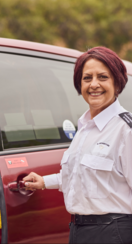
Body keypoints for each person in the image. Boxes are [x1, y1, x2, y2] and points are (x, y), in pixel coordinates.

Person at [23, 46, 132, 244]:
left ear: (117, 83)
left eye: (103, 77)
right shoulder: (84, 127)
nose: (94, 85)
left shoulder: (126, 130)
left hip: (113, 232)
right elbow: (82, 176)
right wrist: (44, 182)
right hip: (79, 230)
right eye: (87, 78)